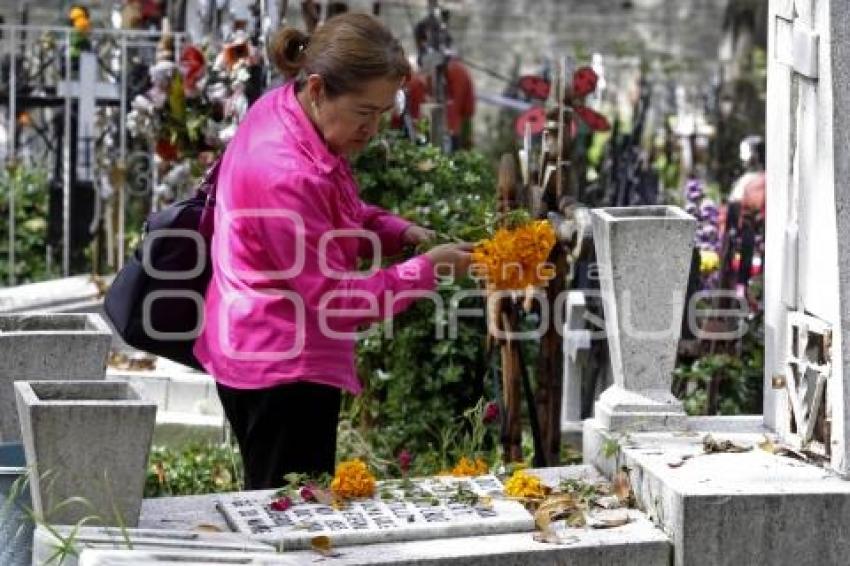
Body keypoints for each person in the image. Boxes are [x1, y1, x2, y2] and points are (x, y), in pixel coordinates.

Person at [193, 13, 473, 490]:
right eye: (365, 113)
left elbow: (335, 208)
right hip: (279, 368)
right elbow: (337, 301)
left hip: (274, 346)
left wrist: (399, 232)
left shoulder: (287, 109)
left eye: (384, 113)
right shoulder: (285, 170)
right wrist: (427, 269)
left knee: (291, 505)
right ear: (319, 88)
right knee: (290, 517)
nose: (374, 129)